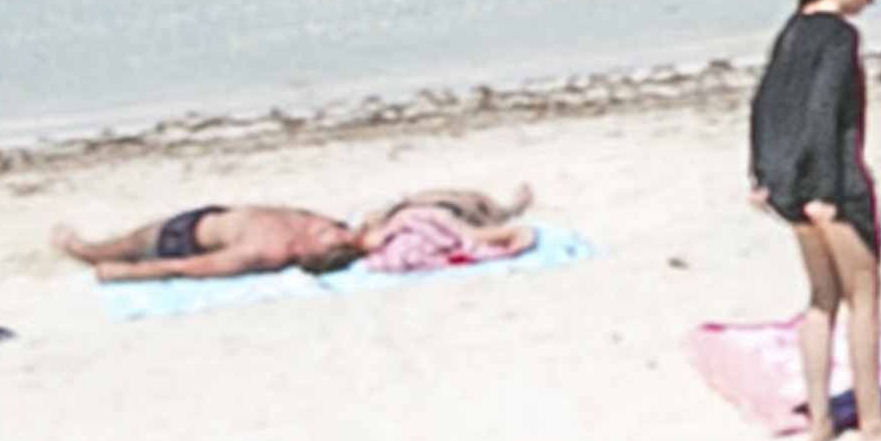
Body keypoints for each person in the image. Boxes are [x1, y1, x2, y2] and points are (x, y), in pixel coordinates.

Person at [750, 0, 881, 441]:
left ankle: (821, 423)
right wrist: (828, 193)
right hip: (833, 186)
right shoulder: (837, 36)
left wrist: (762, 177)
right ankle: (873, 421)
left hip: (787, 187)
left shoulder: (792, 29)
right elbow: (824, 114)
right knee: (864, 296)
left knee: (820, 299)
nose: (871, 0)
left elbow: (765, 105)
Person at [51, 186, 536, 282]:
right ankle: (86, 249)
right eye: (331, 230)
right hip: (199, 222)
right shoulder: (312, 233)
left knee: (119, 250)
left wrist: (123, 276)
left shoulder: (268, 251)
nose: (330, 226)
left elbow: (188, 266)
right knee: (113, 246)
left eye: (330, 234)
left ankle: (92, 253)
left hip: (188, 235)